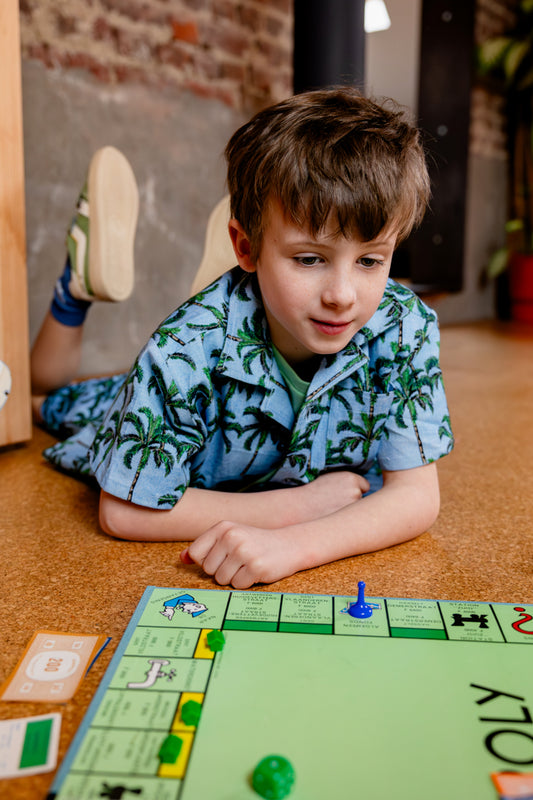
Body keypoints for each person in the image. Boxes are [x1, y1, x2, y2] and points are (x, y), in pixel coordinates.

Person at [31, 87, 454, 590]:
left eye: (370, 260)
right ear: (245, 246)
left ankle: (266, 289)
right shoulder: (180, 349)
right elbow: (123, 512)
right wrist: (296, 508)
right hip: (157, 386)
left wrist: (296, 547)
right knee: (39, 399)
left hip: (237, 337)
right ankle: (74, 289)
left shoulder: (403, 326)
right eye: (310, 258)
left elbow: (417, 497)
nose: (343, 296)